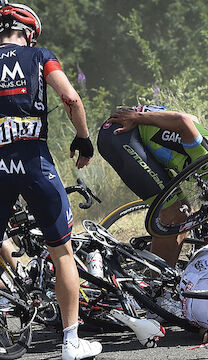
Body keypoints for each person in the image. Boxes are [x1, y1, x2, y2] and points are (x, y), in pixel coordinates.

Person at [0, 3, 101, 359]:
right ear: (29, 32)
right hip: (34, 163)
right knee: (62, 252)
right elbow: (70, 97)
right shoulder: (39, 55)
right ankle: (71, 343)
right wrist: (83, 137)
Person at [97, 105, 208, 266]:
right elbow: (183, 120)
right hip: (122, 133)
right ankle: (158, 286)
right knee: (174, 214)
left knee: (184, 215)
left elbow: (192, 119)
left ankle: (165, 275)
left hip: (137, 131)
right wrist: (137, 118)